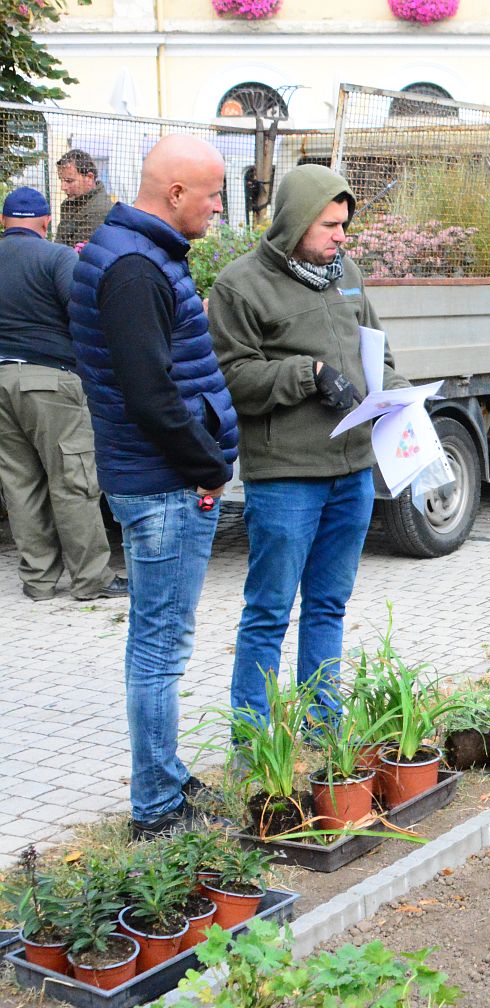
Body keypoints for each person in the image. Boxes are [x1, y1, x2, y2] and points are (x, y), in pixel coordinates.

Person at [70, 133, 239, 837]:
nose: (221, 208)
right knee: (159, 649)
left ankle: (166, 777)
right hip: (166, 486)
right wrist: (205, 464)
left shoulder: (135, 253)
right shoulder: (136, 269)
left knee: (159, 642)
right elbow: (149, 394)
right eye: (213, 195)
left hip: (162, 478)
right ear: (175, 195)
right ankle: (156, 809)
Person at [208, 164, 408, 724]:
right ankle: (256, 737)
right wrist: (308, 373)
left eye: (344, 225)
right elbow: (232, 379)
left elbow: (379, 352)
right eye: (329, 226)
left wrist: (396, 392)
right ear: (295, 224)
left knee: (328, 605)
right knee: (269, 611)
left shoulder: (348, 275)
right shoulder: (239, 286)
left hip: (352, 473)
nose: (342, 237)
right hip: (287, 478)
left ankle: (324, 723)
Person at [0, 187, 125, 602]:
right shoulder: (57, 258)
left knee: (19, 483)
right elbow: (85, 314)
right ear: (46, 221)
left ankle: (38, 580)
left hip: (0, 380)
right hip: (50, 379)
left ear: (3, 221)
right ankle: (91, 578)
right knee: (73, 479)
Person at [56, 149, 114, 248]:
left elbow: (76, 252)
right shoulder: (71, 203)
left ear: (89, 178)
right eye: (61, 180)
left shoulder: (100, 209)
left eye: (69, 181)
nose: (63, 187)